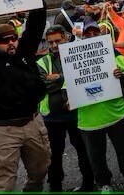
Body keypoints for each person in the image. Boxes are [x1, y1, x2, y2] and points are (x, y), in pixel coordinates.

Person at [0, 0, 50, 192]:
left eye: (13, 38)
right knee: (3, 184)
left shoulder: (24, 54)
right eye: (4, 40)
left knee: (40, 171)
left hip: (33, 123)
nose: (11, 42)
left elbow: (36, 26)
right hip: (3, 130)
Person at [78, 25, 124, 193]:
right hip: (90, 119)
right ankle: (104, 184)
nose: (92, 36)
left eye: (96, 33)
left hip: (117, 113)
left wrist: (120, 75)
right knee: (96, 156)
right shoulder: (74, 59)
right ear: (82, 38)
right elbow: (68, 88)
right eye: (88, 34)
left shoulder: (114, 54)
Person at [37, 25, 94, 192]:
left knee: (84, 150)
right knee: (54, 154)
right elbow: (43, 84)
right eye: (50, 42)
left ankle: (89, 183)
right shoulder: (43, 61)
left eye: (57, 41)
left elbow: (82, 78)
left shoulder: (78, 56)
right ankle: (55, 186)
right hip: (52, 118)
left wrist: (59, 78)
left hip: (77, 114)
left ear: (66, 38)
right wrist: (67, 80)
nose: (54, 45)